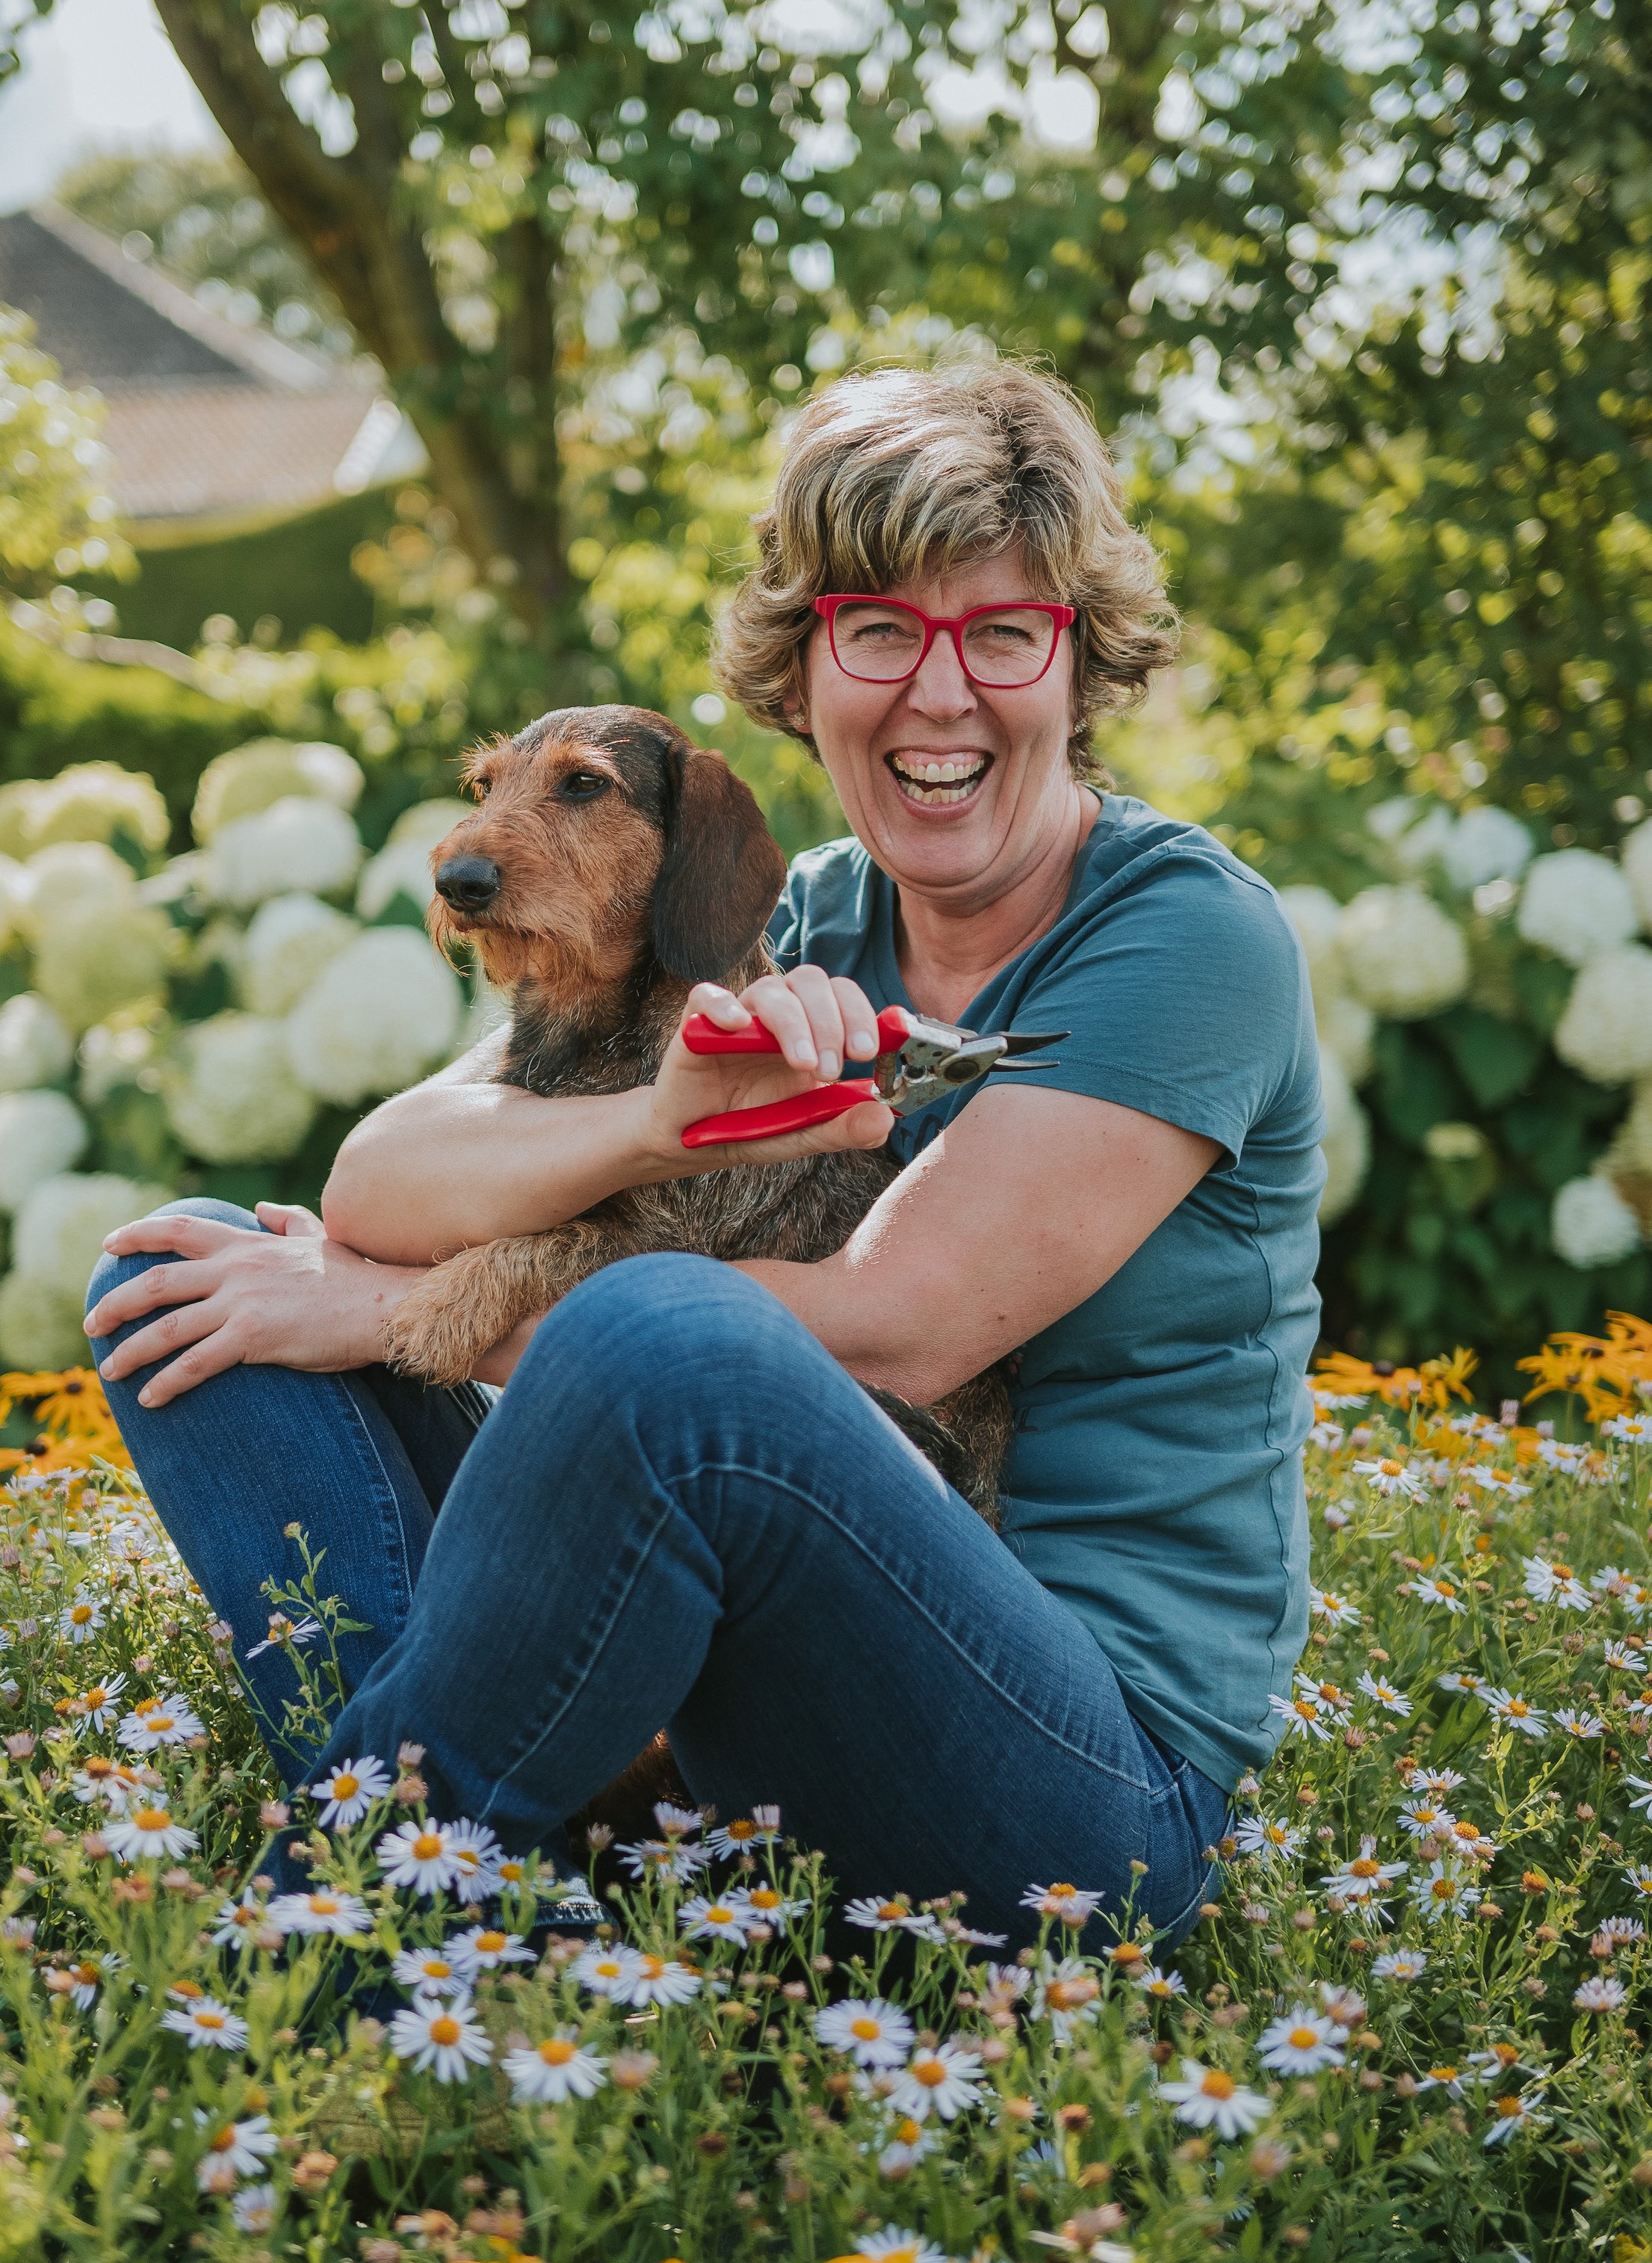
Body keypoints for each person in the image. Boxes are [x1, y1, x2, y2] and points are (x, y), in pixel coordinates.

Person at [84, 362, 1324, 1941]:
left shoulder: (1184, 937)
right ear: (802, 667)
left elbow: (899, 1329)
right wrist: (649, 1125)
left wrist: (400, 1313)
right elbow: (379, 1179)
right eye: (878, 630)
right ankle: (506, 1904)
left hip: (1081, 1784)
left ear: (1078, 665)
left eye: (1004, 633)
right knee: (189, 1280)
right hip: (761, 1690)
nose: (939, 693)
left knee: (662, 1332)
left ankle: (344, 1935)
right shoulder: (788, 913)